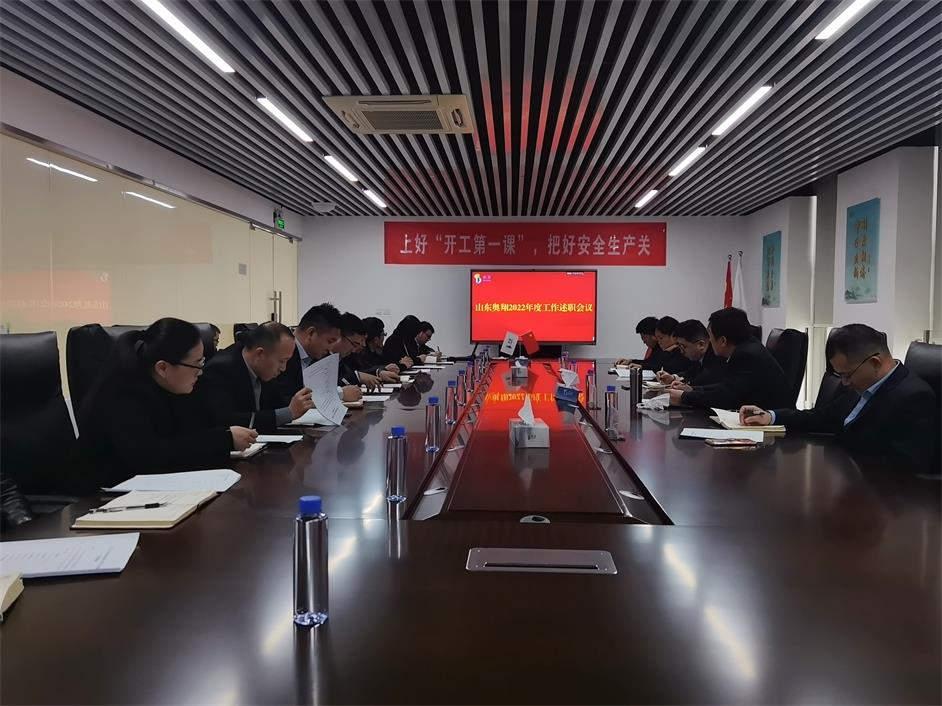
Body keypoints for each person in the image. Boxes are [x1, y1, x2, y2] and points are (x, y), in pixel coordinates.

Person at [75, 318, 256, 491]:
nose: (200, 372)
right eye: (197, 364)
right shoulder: (123, 395)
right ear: (163, 368)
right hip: (104, 496)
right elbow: (150, 457)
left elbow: (194, 431)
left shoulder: (171, 387)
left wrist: (225, 437)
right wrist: (223, 440)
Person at [739, 324, 940, 472]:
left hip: (878, 499)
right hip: (840, 477)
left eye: (847, 375)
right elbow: (823, 417)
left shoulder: (914, 398)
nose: (844, 382)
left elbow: (907, 466)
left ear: (875, 363)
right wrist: (772, 416)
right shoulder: (863, 383)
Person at [198, 321, 313, 432]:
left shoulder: (261, 368)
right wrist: (288, 413)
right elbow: (226, 420)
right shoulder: (220, 369)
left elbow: (275, 401)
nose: (283, 368)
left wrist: (303, 402)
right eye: (282, 361)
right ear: (260, 354)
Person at [668, 307, 792, 410]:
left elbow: (725, 398)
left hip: (772, 426)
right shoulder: (748, 347)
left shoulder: (746, 355)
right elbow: (726, 387)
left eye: (711, 337)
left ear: (723, 341)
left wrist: (684, 397)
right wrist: (691, 390)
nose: (709, 341)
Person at [264, 303, 343, 407]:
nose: (331, 348)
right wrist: (339, 393)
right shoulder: (281, 353)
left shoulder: (317, 357)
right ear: (311, 333)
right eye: (330, 341)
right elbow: (281, 400)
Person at [330, 313, 395, 394]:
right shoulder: (325, 356)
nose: (363, 345)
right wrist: (341, 393)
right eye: (357, 343)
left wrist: (376, 372)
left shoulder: (340, 356)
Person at [657, 319, 727, 388]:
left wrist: (685, 385)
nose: (682, 352)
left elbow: (700, 381)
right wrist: (673, 378)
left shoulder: (716, 358)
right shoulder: (700, 357)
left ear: (701, 345)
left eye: (683, 347)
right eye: (679, 347)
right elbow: (690, 373)